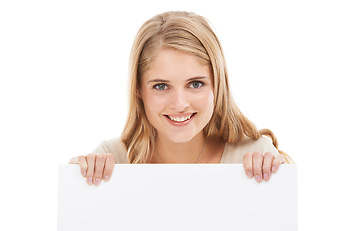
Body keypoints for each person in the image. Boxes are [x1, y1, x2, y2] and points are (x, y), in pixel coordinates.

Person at [69, 11, 294, 186]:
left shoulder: (255, 157)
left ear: (218, 84)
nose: (179, 104)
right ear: (138, 89)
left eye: (195, 84)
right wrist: (77, 184)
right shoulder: (112, 161)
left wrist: (278, 184)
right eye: (161, 86)